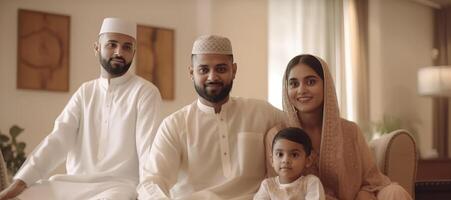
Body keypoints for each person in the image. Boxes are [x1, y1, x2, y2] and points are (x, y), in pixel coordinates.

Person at [0, 17, 162, 200]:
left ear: (133, 53)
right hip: (72, 184)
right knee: (20, 197)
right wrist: (20, 183)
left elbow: (148, 152)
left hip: (119, 187)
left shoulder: (145, 92)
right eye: (112, 44)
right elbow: (57, 139)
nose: (119, 52)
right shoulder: (85, 92)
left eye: (127, 47)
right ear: (97, 48)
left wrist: (148, 195)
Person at [138, 35, 285, 199]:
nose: (212, 77)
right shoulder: (174, 124)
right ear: (191, 73)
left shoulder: (261, 112)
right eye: (204, 70)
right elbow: (151, 181)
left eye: (221, 69)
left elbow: (301, 124)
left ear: (234, 70)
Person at [265, 54, 412, 200]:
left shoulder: (350, 131)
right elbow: (277, 189)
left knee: (395, 192)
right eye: (294, 84)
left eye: (310, 82)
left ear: (326, 85)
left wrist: (364, 193)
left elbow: (371, 180)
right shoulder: (277, 135)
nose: (301, 90)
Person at [254, 127, 325, 200]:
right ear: (272, 160)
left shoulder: (310, 183)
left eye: (294, 155)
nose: (285, 160)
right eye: (280, 154)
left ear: (308, 160)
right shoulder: (268, 186)